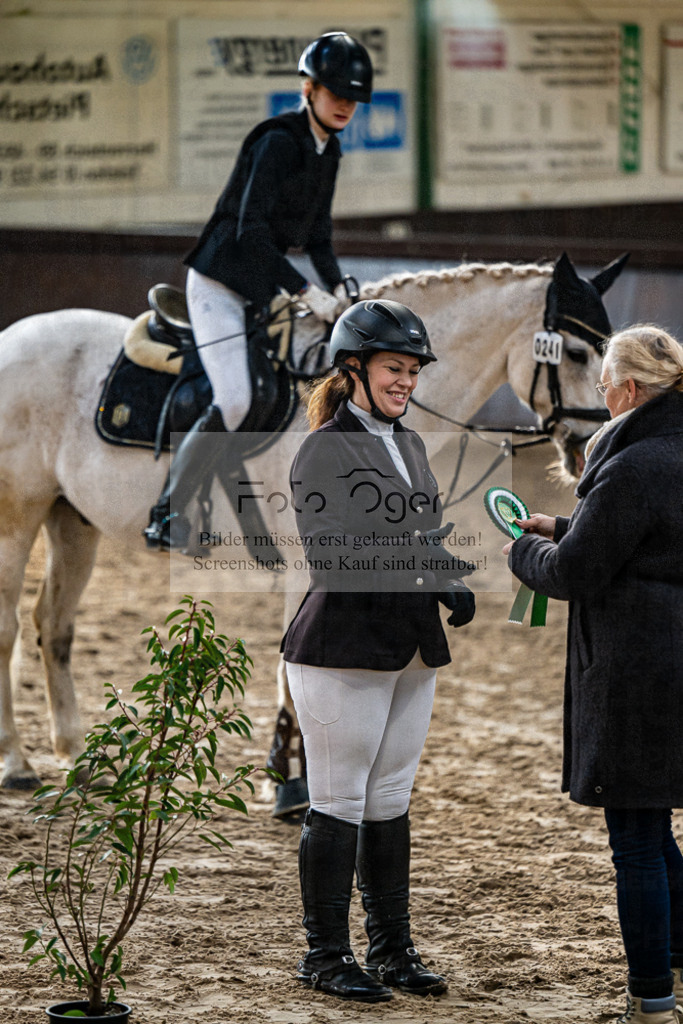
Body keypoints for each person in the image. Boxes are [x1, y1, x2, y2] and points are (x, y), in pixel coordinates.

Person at [280, 299, 476, 1003]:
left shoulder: (410, 444)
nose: (406, 382)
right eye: (395, 368)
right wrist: (426, 567)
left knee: (390, 800)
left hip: (407, 644)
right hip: (339, 647)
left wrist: (445, 570)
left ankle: (393, 949)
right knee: (337, 801)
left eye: (413, 371)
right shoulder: (324, 448)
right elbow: (332, 555)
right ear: (353, 368)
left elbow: (415, 535)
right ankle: (325, 956)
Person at [503, 325, 683, 1024]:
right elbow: (638, 536)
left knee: (634, 836)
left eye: (604, 384)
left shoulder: (630, 464)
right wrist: (565, 525)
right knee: (658, 824)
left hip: (636, 667)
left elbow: (577, 572)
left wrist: (524, 551)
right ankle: (673, 959)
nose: (601, 395)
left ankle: (651, 999)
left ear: (629, 391)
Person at [144, 31, 373, 550]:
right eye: (335, 93)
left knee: (283, 387)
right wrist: (304, 291)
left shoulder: (328, 150)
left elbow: (318, 237)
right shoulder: (277, 141)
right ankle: (167, 513)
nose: (345, 105)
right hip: (218, 284)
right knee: (237, 397)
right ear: (309, 88)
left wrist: (339, 288)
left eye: (352, 99)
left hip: (259, 290)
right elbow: (250, 232)